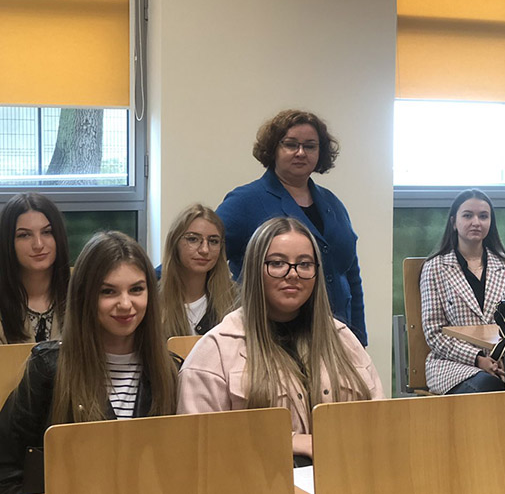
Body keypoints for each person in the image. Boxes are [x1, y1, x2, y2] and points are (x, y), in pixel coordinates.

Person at [177, 217, 383, 461]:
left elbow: (380, 423)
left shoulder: (343, 340)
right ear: (255, 269)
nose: (292, 274)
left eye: (304, 264)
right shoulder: (214, 352)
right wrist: (289, 441)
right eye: (277, 263)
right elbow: (198, 448)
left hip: (346, 473)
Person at [0, 231, 178, 494]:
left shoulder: (170, 372)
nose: (126, 304)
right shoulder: (48, 369)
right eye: (108, 291)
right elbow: (1, 471)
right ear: (84, 296)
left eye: (137, 289)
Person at [216, 110, 367, 345]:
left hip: (336, 336)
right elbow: (201, 253)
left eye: (310, 146)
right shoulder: (244, 201)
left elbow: (351, 275)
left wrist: (358, 340)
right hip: (271, 338)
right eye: (290, 144)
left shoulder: (332, 204)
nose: (301, 153)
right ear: (273, 149)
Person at [421, 189, 505, 395]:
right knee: (489, 387)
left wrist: (501, 358)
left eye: (483, 216)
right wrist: (478, 359)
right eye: (467, 215)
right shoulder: (435, 267)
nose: (476, 222)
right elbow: (434, 333)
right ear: (454, 222)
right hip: (452, 365)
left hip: (503, 362)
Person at [0, 193, 70, 345]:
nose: (38, 244)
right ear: (8, 243)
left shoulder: (84, 297)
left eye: (47, 232)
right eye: (24, 235)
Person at [159, 204, 237, 337]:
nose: (204, 250)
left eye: (213, 241)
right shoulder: (152, 300)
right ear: (175, 243)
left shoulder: (236, 301)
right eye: (193, 239)